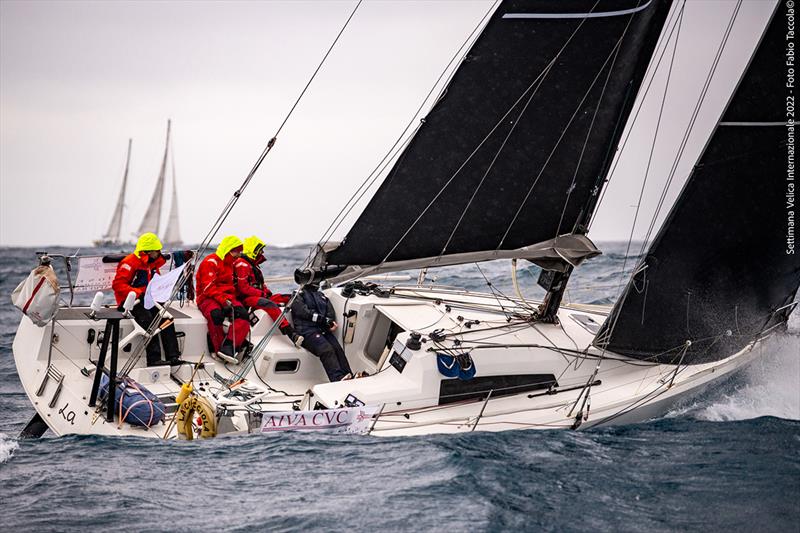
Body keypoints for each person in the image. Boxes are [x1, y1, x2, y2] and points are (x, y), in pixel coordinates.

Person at [112, 232, 181, 367]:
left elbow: (156, 283)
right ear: (148, 251)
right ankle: (154, 359)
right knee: (148, 320)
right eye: (157, 250)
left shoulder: (151, 264)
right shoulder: (129, 262)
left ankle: (173, 357)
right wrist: (138, 293)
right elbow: (118, 285)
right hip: (130, 303)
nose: (159, 253)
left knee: (167, 319)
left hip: (148, 300)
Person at [234, 235, 304, 347]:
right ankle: (291, 334)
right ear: (253, 250)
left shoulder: (253, 265)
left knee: (291, 297)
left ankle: (304, 325)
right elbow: (243, 288)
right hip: (247, 299)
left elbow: (260, 284)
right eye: (260, 249)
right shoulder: (242, 264)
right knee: (270, 304)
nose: (262, 252)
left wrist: (266, 292)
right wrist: (262, 294)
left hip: (258, 296)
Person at [196, 235, 251, 362]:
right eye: (236, 251)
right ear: (228, 250)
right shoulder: (211, 262)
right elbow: (207, 288)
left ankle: (229, 347)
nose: (239, 254)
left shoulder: (230, 263)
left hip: (227, 296)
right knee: (216, 315)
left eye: (240, 251)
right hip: (207, 297)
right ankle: (218, 348)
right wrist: (223, 300)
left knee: (243, 315)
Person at [291, 283, 353, 382]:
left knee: (337, 349)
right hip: (306, 332)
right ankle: (337, 379)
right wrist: (324, 320)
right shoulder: (298, 294)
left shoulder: (321, 296)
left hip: (322, 330)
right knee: (326, 349)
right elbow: (303, 312)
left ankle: (348, 376)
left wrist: (330, 322)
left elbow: (330, 313)